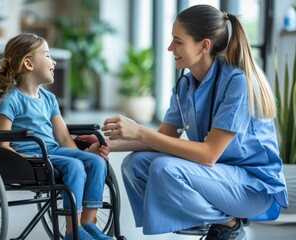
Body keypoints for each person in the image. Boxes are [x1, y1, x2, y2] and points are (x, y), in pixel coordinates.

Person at [79, 4, 288, 240]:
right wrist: (103, 144)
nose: (170, 48)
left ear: (204, 45)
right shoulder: (185, 85)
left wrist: (138, 131)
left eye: (178, 41)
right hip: (218, 177)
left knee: (164, 168)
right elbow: (165, 138)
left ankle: (229, 224)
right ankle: (214, 222)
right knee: (134, 164)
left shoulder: (236, 82)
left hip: (253, 187)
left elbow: (209, 154)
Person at [0, 33, 112, 240]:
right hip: (30, 157)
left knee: (97, 162)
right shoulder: (10, 101)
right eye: (47, 55)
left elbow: (63, 139)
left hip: (53, 151)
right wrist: (24, 158)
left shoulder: (49, 99)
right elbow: (1, 144)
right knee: (75, 166)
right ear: (28, 64)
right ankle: (72, 231)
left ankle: (87, 224)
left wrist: (85, 154)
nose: (53, 62)